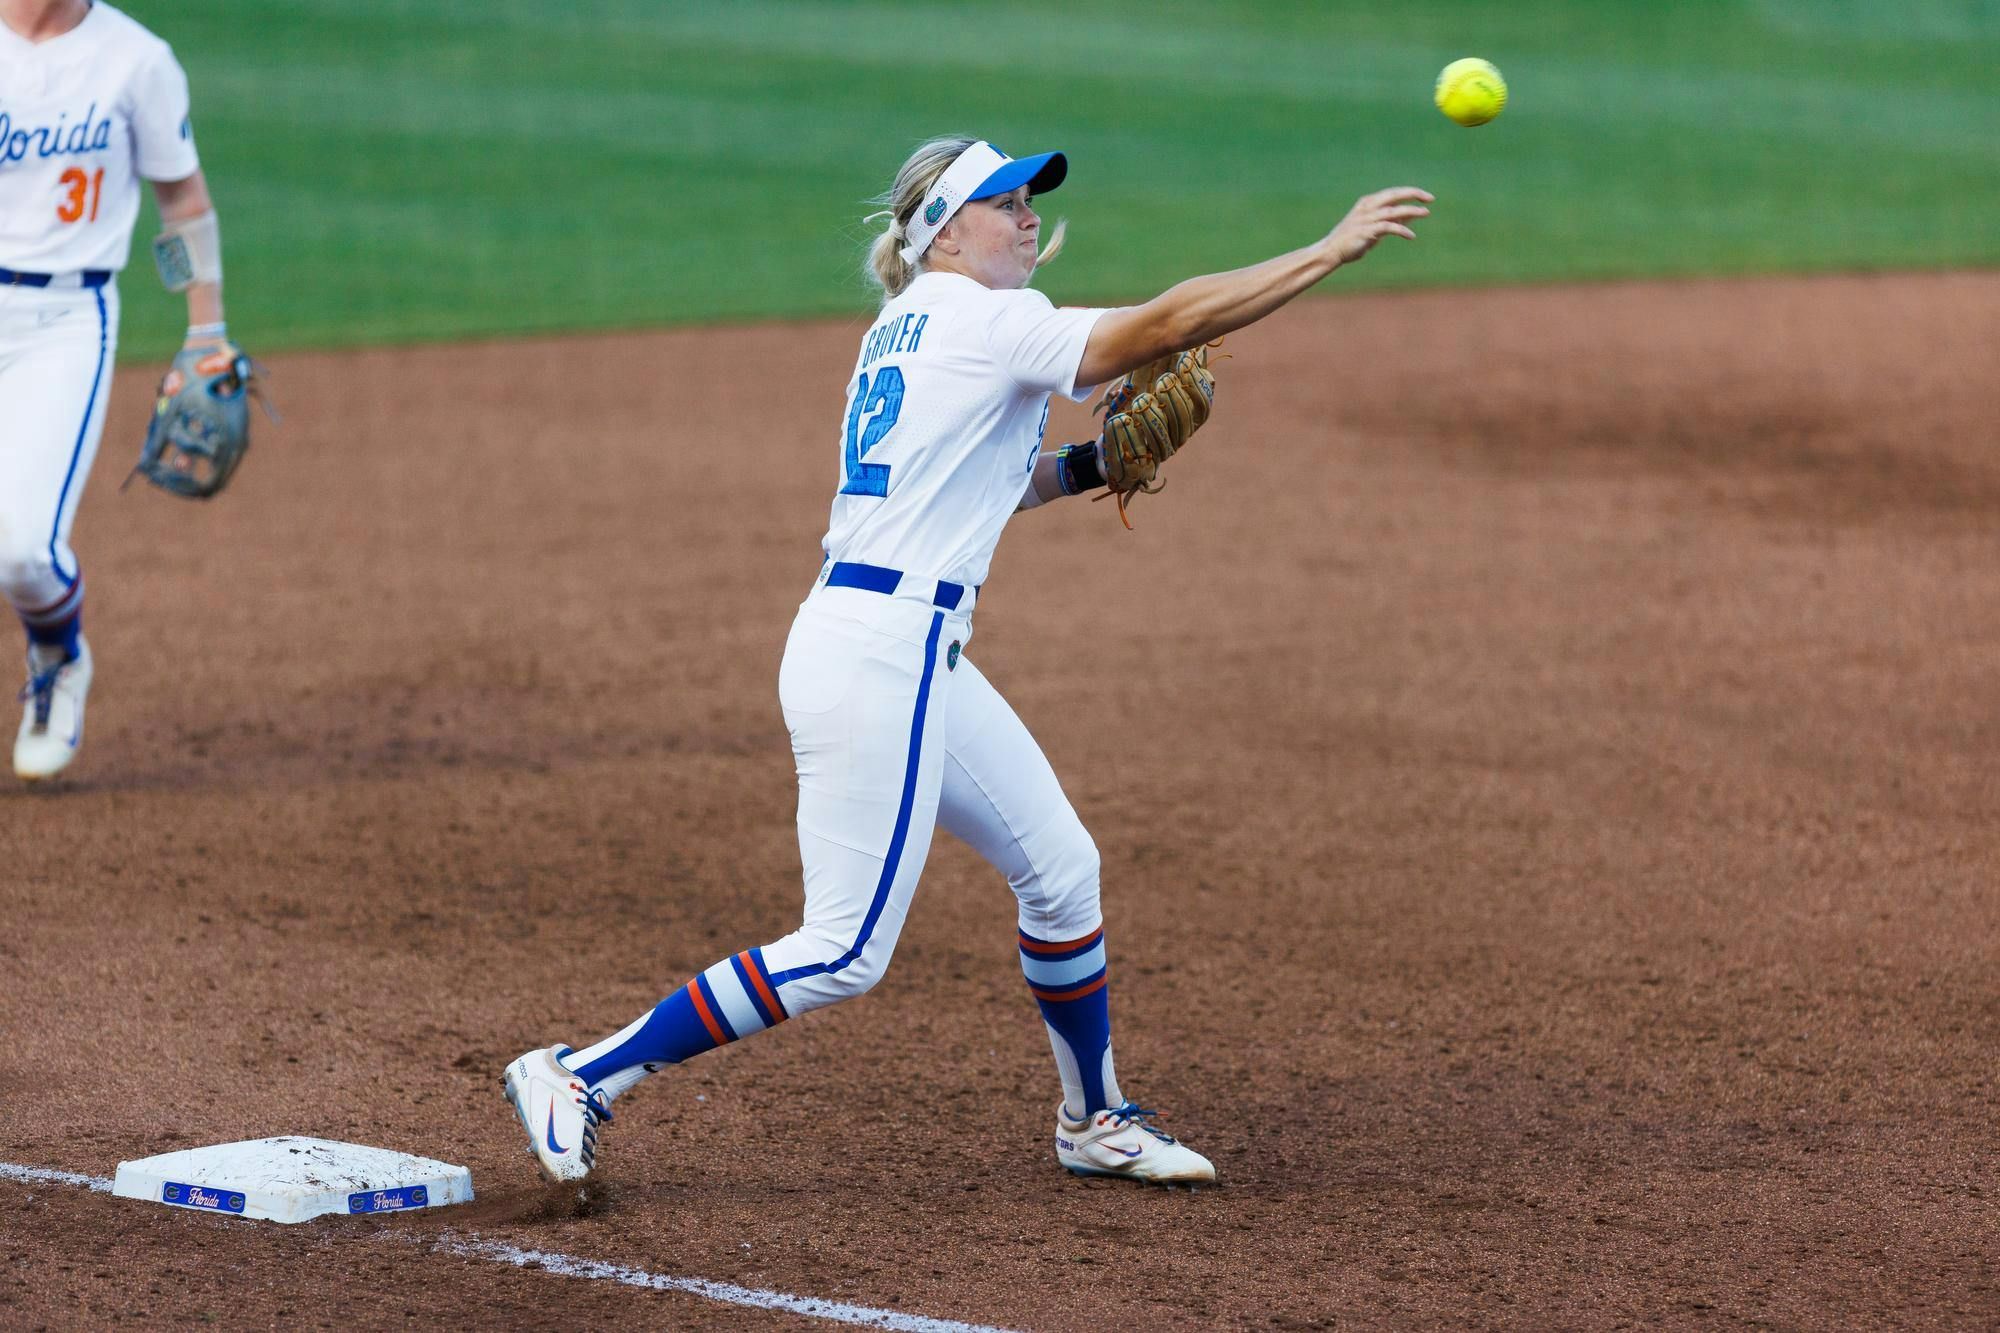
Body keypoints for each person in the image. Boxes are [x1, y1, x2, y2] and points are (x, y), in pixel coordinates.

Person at [506, 136, 1430, 1185]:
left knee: (1061, 872)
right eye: (1005, 199)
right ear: (946, 229)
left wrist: (1089, 463)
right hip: (880, 656)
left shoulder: (908, 326)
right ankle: (581, 1073)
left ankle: (1093, 1120)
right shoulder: (988, 320)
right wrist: (1327, 249)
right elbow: (1169, 325)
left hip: (895, 644)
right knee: (843, 950)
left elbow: (980, 481)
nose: (1029, 212)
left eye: (1032, 195)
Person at [1, 0, 237, 781]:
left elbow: (182, 210)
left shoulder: (137, 62)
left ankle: (59, 653)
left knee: (24, 551)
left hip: (65, 319)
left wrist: (204, 329)